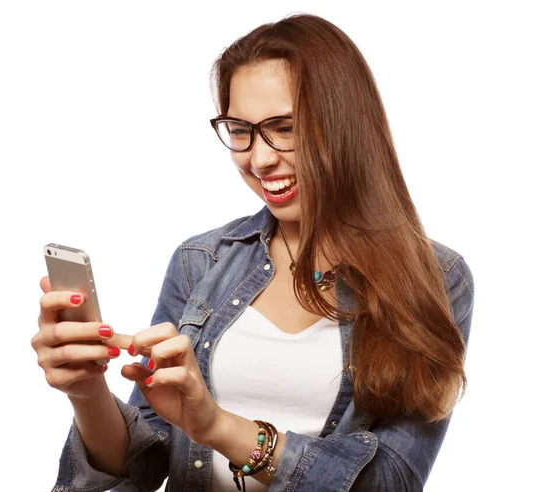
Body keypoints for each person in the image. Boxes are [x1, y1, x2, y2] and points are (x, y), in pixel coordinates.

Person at [32, 13, 474, 492]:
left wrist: (219, 427)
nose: (259, 159)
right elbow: (147, 456)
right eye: (240, 129)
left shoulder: (435, 276)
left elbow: (391, 479)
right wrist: (88, 392)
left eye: (284, 127)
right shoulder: (201, 260)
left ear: (346, 125)